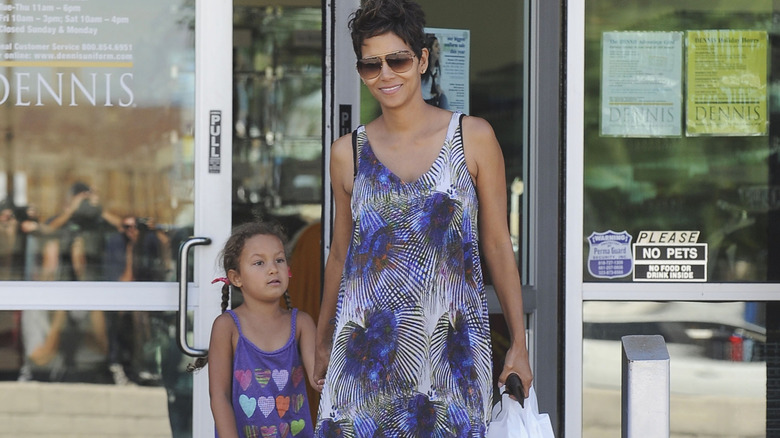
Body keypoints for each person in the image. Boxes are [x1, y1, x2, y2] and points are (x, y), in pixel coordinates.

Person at [312, 0, 532, 434]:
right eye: (371, 65)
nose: (386, 75)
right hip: (362, 364)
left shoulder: (473, 137)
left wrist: (519, 344)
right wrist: (321, 341)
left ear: (423, 59)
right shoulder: (346, 154)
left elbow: (497, 245)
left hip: (450, 358)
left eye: (398, 60)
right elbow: (341, 254)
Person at [190, 221, 318, 437]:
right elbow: (219, 396)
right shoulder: (227, 327)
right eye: (259, 263)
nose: (272, 269)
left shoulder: (302, 323)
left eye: (279, 260)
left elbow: (319, 378)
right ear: (236, 278)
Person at [421, 33, 448, 109]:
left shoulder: (437, 69)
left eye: (439, 46)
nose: (439, 48)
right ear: (430, 50)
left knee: (443, 98)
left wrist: (440, 91)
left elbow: (437, 85)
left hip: (433, 102)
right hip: (423, 103)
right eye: (436, 46)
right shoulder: (422, 69)